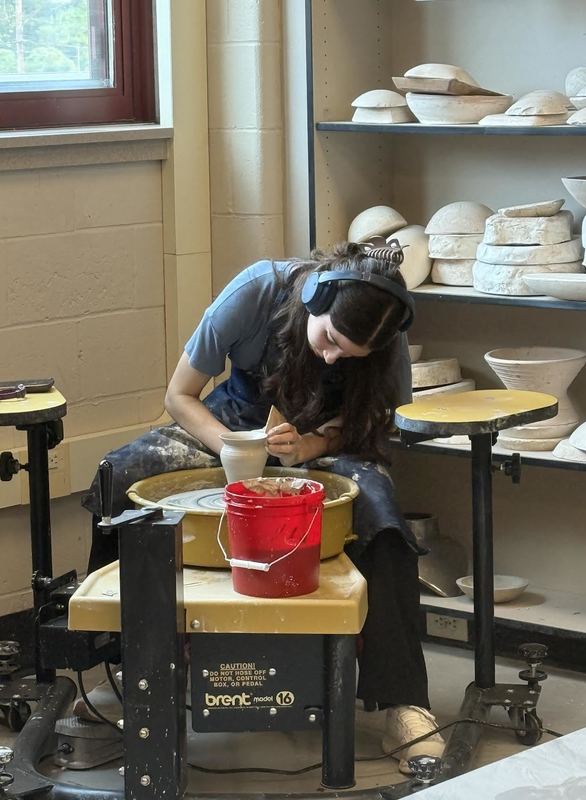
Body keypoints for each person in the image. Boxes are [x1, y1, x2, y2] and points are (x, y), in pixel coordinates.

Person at [80, 241, 444, 773]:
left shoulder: (385, 331)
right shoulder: (255, 291)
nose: (334, 357)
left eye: (350, 355)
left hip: (324, 439)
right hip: (230, 423)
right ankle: (118, 663)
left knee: (383, 520)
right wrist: (232, 443)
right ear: (317, 301)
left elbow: (375, 418)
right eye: (330, 340)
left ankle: (405, 703)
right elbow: (179, 395)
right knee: (120, 474)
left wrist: (313, 446)